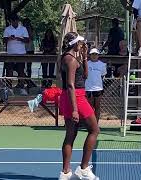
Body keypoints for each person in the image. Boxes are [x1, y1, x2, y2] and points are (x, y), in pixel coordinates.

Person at [58, 32, 100, 180]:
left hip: (72, 97)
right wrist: (75, 109)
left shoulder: (73, 58)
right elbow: (70, 85)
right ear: (75, 44)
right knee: (94, 130)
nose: (83, 45)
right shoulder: (70, 60)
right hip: (76, 97)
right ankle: (83, 169)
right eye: (81, 42)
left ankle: (65, 173)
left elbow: (85, 76)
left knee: (71, 134)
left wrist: (85, 57)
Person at [3, 14, 29, 95]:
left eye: (15, 21)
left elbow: (27, 40)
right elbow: (4, 40)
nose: (14, 23)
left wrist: (19, 38)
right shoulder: (7, 29)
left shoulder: (23, 29)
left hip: (21, 53)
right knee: (9, 71)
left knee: (21, 71)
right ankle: (9, 88)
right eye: (12, 21)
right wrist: (9, 38)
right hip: (10, 53)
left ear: (18, 21)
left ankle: (21, 87)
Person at [85, 48, 107, 123]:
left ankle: (96, 123)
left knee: (97, 106)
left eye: (96, 54)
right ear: (90, 55)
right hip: (88, 88)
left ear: (98, 55)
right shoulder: (86, 63)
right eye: (92, 54)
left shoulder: (102, 64)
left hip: (98, 88)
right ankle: (90, 123)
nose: (94, 56)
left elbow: (103, 74)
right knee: (89, 107)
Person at [23, 18, 36, 88]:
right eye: (25, 23)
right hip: (23, 49)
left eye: (28, 23)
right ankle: (22, 82)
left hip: (30, 49)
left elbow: (32, 38)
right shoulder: (21, 29)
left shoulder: (31, 29)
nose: (26, 25)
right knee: (22, 66)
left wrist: (29, 30)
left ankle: (29, 82)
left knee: (29, 67)